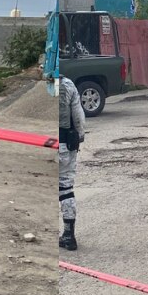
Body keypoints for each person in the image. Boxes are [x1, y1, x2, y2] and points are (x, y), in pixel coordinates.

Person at [58, 74, 85, 250]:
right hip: (65, 143)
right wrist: (79, 137)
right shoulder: (67, 84)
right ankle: (69, 234)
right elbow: (78, 116)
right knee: (66, 189)